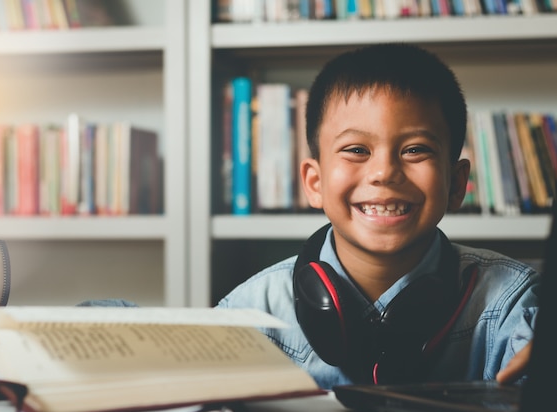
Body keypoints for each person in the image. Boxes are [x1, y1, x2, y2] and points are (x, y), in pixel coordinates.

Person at [215, 43, 539, 390]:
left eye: (415, 150)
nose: (384, 172)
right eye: (356, 150)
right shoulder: (248, 313)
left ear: (457, 183)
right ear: (315, 182)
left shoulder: (512, 305)